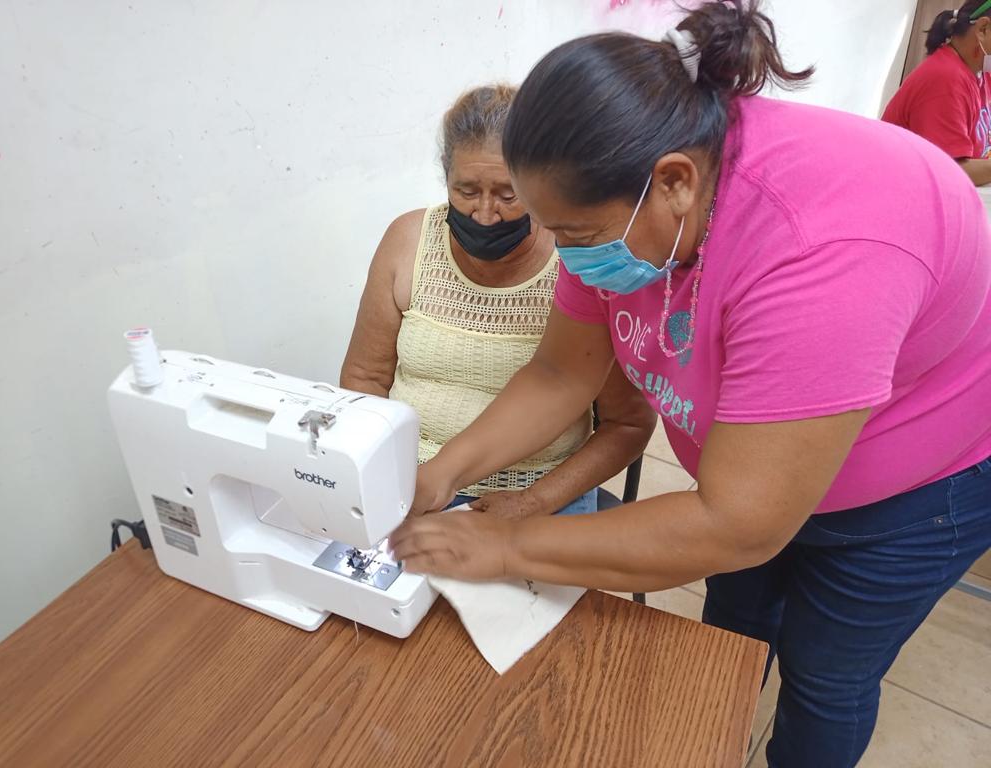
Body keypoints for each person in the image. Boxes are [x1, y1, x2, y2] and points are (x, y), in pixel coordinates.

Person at [390, 2, 991, 766]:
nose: (566, 259)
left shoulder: (823, 249)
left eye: (574, 237)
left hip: (916, 490)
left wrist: (509, 546)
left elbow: (738, 524)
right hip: (747, 468)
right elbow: (558, 372)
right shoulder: (629, 202)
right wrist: (441, 474)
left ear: (673, 182)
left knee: (827, 676)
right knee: (734, 631)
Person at [341, 85, 654, 520]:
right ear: (445, 177)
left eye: (508, 195)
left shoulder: (578, 264)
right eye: (466, 190)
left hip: (540, 495)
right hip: (412, 487)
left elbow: (628, 424)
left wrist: (535, 501)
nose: (485, 214)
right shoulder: (407, 243)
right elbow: (363, 379)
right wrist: (389, 480)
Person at [883, 1, 991, 186]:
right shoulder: (945, 79)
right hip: (904, 195)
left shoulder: (980, 74)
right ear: (982, 29)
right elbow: (951, 171)